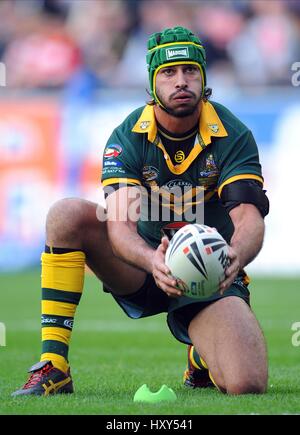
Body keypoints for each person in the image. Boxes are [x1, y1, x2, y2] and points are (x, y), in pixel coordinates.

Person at [12, 26, 269, 397]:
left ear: (203, 76)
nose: (181, 81)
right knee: (66, 214)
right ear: (152, 83)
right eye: (168, 72)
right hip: (141, 266)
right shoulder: (128, 135)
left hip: (209, 277)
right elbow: (119, 227)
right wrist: (153, 262)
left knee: (246, 385)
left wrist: (235, 255)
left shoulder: (233, 134)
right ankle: (54, 365)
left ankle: (201, 359)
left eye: (190, 71)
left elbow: (248, 218)